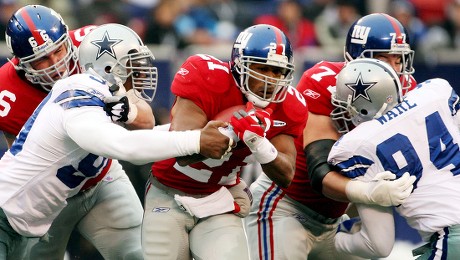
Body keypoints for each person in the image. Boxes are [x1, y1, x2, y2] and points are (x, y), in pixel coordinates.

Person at [0, 22, 233, 259]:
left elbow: (142, 129)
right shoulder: (76, 96)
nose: (139, 74)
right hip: (8, 218)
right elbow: (125, 145)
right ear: (110, 67)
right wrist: (196, 141)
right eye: (131, 66)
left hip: (28, 217)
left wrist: (199, 133)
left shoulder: (92, 88)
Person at [244, 13, 417, 260]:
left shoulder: (407, 89)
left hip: (336, 219)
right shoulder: (324, 82)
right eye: (381, 58)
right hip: (287, 207)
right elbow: (320, 172)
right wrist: (370, 193)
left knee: (380, 247)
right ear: (355, 59)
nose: (393, 69)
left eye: (398, 59)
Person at [142, 24, 308, 259]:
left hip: (220, 197)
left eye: (278, 71)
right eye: (263, 68)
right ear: (240, 65)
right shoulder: (206, 75)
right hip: (169, 192)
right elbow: (181, 150)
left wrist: (258, 143)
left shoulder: (288, 105)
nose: (271, 79)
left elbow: (286, 174)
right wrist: (232, 130)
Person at [0, 5, 153, 259]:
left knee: (137, 254)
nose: (56, 65)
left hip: (102, 178)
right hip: (48, 200)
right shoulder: (6, 91)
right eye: (41, 60)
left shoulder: (94, 47)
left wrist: (127, 108)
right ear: (21, 64)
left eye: (58, 51)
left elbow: (145, 119)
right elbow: (19, 161)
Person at [328, 58, 460, 259]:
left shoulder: (356, 145)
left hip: (452, 236)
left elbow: (378, 244)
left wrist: (334, 237)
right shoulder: (436, 91)